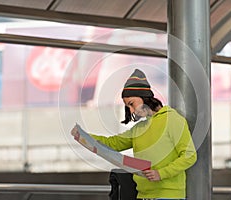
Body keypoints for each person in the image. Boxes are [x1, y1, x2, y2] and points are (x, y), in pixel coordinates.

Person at [71, 69, 197, 200]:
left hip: (169, 196)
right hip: (142, 196)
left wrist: (161, 173)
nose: (131, 110)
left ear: (144, 96)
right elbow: (112, 143)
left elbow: (189, 155)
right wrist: (84, 136)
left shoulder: (172, 120)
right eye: (127, 107)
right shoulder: (139, 128)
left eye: (131, 104)